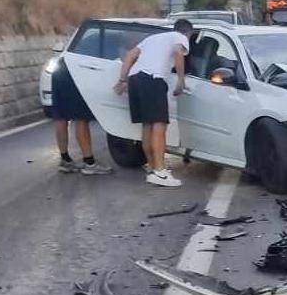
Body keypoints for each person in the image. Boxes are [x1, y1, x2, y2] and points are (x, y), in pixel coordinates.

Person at [115, 19, 192, 188]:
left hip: (135, 79)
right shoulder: (180, 37)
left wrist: (122, 79)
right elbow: (179, 53)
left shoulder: (152, 39)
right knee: (159, 125)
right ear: (189, 33)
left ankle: (152, 167)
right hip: (152, 79)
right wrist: (181, 80)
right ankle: (160, 172)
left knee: (147, 126)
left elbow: (129, 56)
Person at [49, 59, 110, 174]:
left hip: (61, 66)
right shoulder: (91, 44)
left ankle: (65, 160)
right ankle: (89, 163)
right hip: (77, 68)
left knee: (61, 116)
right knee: (81, 117)